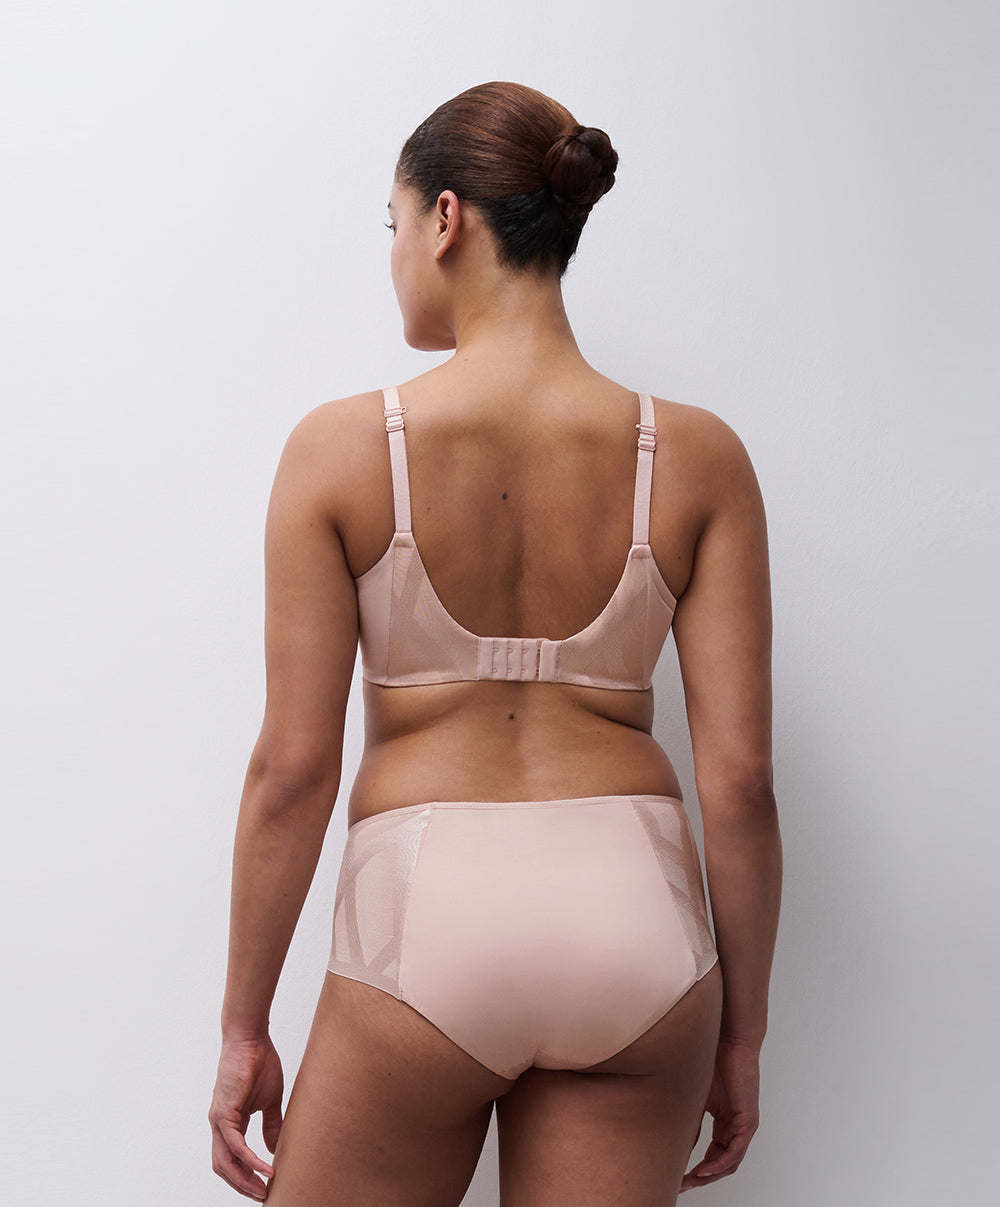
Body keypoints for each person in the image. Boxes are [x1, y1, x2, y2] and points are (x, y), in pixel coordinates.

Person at [209, 81, 781, 1206]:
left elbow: (291, 770)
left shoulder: (340, 451)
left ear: (445, 219)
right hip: (638, 925)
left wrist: (242, 1025)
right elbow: (743, 780)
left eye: (391, 222)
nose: (392, 256)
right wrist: (742, 1033)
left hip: (429, 916)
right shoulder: (700, 457)